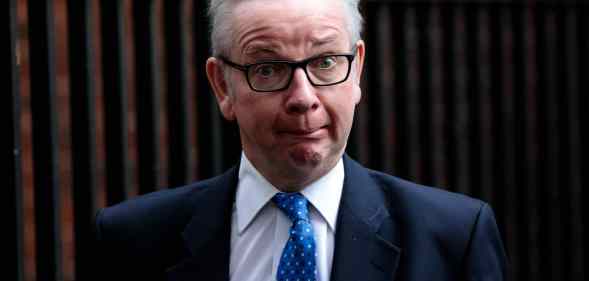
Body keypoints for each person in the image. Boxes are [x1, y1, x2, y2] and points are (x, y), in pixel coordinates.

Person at [93, 0, 508, 280]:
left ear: (357, 69)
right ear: (222, 85)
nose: (303, 98)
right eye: (269, 68)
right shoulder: (134, 242)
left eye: (325, 62)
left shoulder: (453, 239)